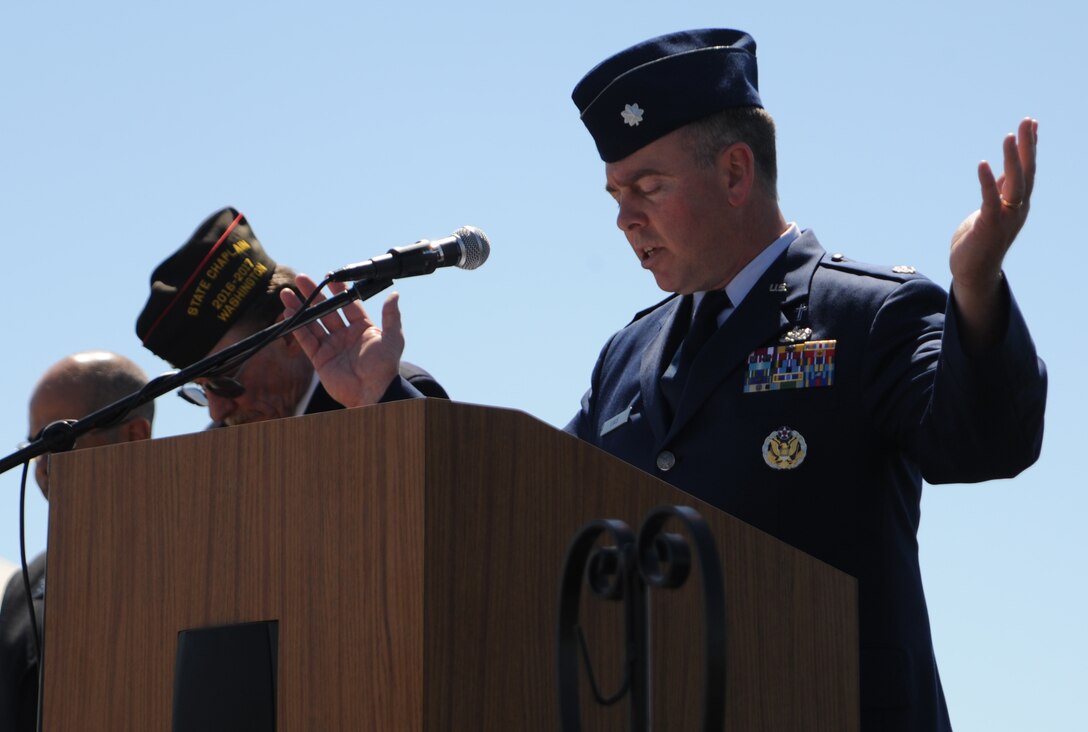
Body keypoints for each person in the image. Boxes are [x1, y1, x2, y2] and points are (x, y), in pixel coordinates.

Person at [281, 28, 1047, 731]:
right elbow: (541, 515)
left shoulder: (866, 315)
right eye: (616, 197)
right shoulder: (628, 356)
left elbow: (986, 445)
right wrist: (384, 400)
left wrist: (976, 290)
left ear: (736, 173)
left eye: (647, 188)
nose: (625, 221)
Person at [135, 207, 448, 426]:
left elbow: (462, 496)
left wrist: (379, 396)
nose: (217, 412)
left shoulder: (394, 395)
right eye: (201, 389)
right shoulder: (219, 452)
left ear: (288, 332)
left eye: (225, 380)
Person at [0, 351, 154, 732]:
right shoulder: (25, 586)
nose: (42, 466)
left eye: (56, 439)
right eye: (32, 446)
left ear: (134, 437)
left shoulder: (198, 557)